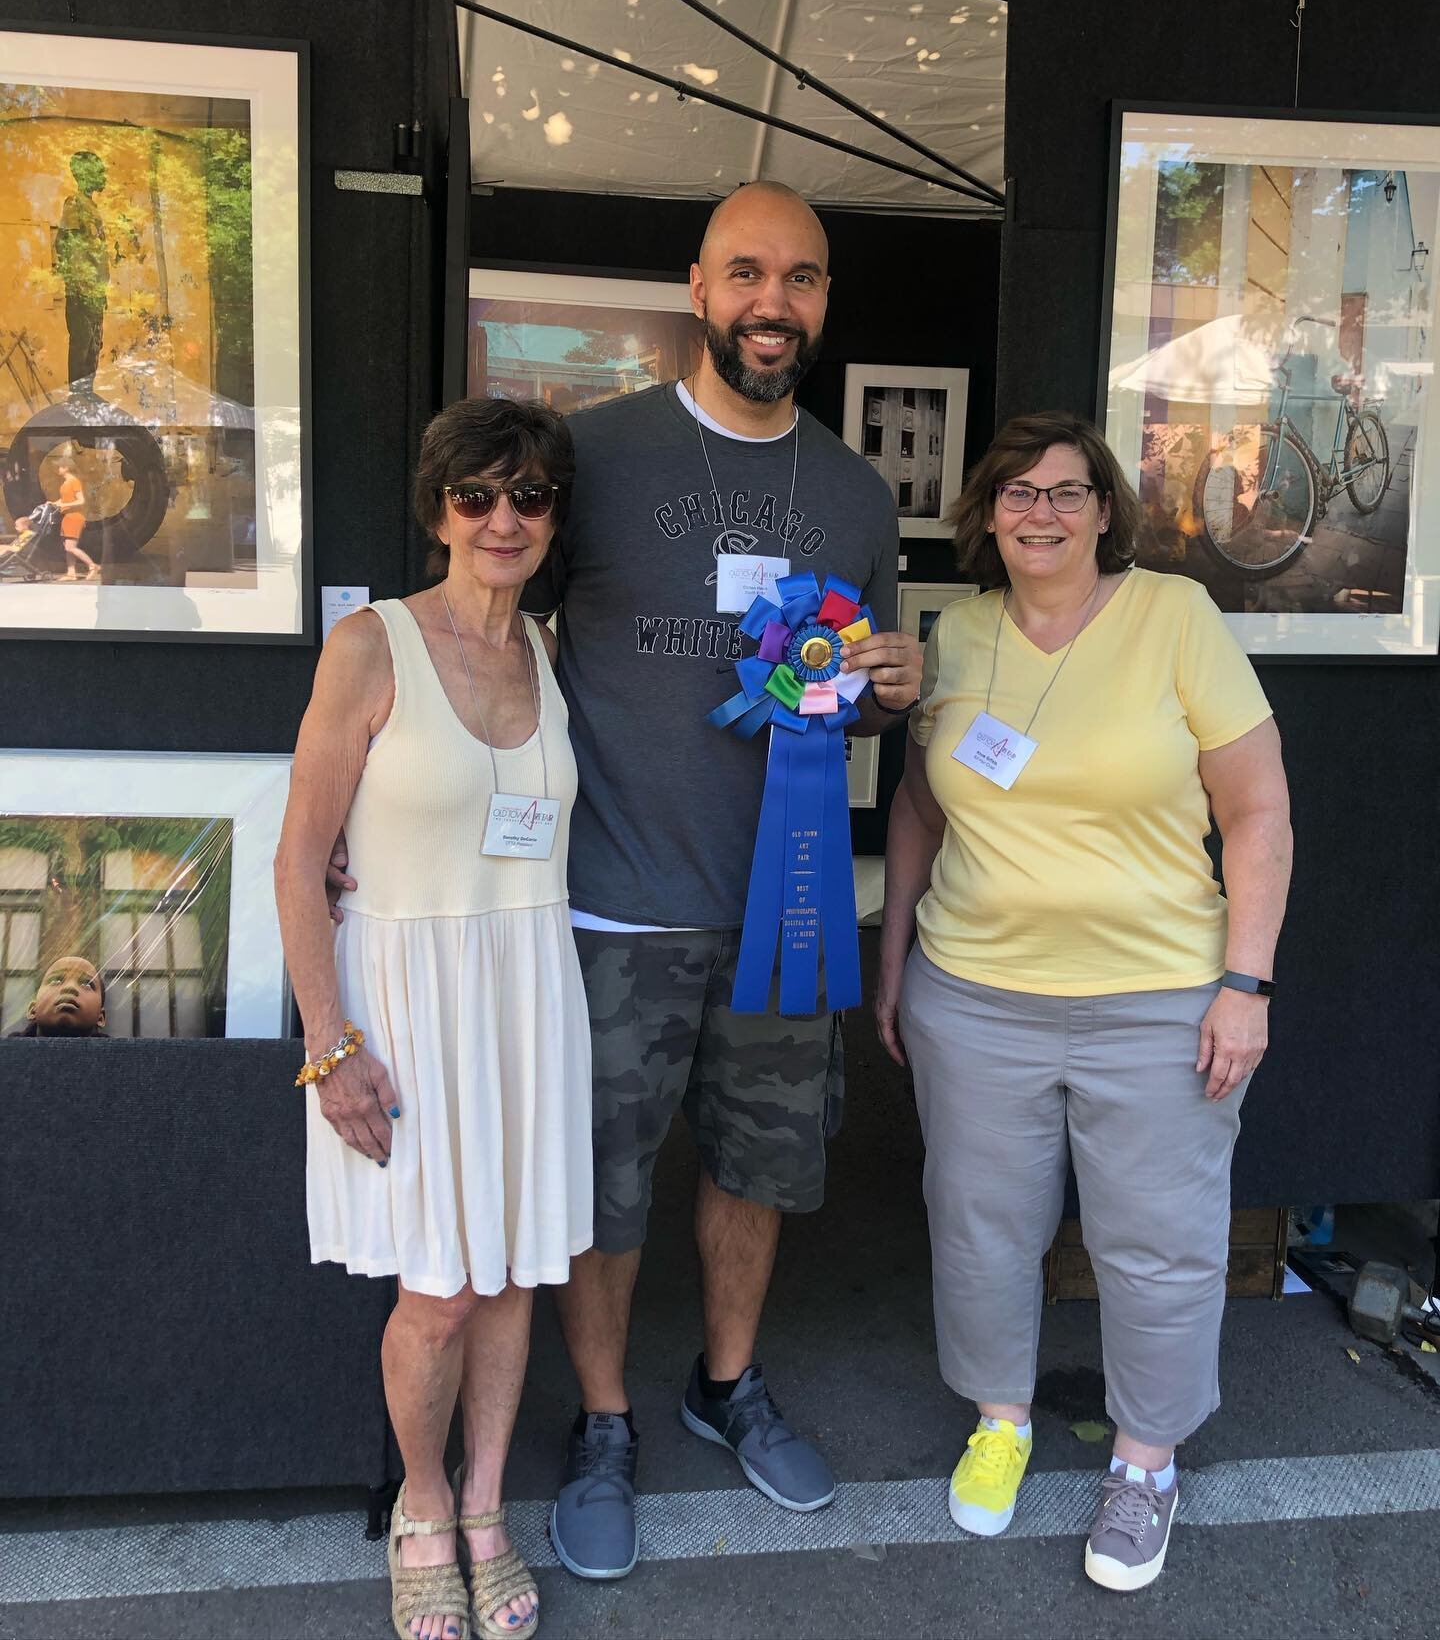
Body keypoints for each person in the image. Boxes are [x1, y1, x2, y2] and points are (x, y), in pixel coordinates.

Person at [329, 180, 923, 1581]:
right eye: (748, 273)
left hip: (782, 908)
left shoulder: (851, 492)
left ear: (824, 302)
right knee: (598, 1191)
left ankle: (728, 1379)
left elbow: (858, 683)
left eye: (804, 279)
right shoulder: (592, 459)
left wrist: (896, 684)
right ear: (699, 286)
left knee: (759, 1164)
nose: (774, 303)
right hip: (605, 905)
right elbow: (477, 636)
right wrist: (373, 799)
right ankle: (603, 1420)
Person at [877, 411, 1292, 1592]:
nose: (1042, 513)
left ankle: (1146, 1465)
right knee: (980, 1225)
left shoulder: (1176, 617)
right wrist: (895, 952)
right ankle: (1002, 1422)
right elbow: (920, 807)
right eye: (1017, 494)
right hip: (977, 995)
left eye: (1067, 492)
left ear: (1107, 508)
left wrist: (1245, 983)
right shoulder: (951, 635)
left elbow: (1258, 811)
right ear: (987, 515)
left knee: (1157, 1246)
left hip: (1161, 997)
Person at [276, 397, 593, 1640]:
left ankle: (484, 1506)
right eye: (477, 496)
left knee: (511, 1271)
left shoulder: (553, 650)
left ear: (554, 516)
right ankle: (420, 1505)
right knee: (440, 1293)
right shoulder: (371, 644)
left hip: (527, 991)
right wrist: (330, 1042)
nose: (503, 519)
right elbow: (303, 857)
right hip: (404, 1008)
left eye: (529, 497)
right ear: (439, 509)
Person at [53, 149, 109, 387]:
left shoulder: (92, 207)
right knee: (82, 345)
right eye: (98, 170)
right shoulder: (75, 204)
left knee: (94, 346)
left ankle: (88, 399)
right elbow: (67, 246)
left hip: (95, 292)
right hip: (82, 292)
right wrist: (81, 286)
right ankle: (79, 401)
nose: (103, 175)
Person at [7, 955, 107, 1036]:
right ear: (33, 1009)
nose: (70, 987)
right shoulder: (6, 1055)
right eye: (55, 980)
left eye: (86, 984)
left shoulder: (118, 1058)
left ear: (100, 1017)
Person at [51, 460, 100, 582]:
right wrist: (53, 503)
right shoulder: (65, 483)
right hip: (67, 517)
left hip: (74, 517)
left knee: (70, 547)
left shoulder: (74, 481)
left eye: (60, 467)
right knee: (67, 546)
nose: (58, 469)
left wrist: (64, 504)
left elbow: (81, 500)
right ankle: (71, 573)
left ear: (66, 468)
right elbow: (63, 499)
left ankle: (92, 566)